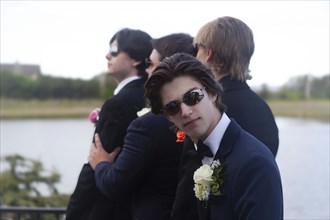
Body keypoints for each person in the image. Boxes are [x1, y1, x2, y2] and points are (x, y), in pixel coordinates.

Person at [145, 53, 283, 220]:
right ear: (168, 117)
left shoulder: (254, 162)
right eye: (172, 107)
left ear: (212, 92)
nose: (186, 112)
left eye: (193, 97)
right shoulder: (194, 152)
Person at [87, 33, 197, 220]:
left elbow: (115, 184)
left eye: (152, 64)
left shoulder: (149, 126)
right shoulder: (204, 117)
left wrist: (101, 164)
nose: (147, 71)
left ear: (169, 68)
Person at [65, 28, 152, 220]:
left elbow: (95, 162)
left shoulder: (119, 104)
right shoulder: (152, 96)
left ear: (136, 59)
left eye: (114, 50)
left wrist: (74, 212)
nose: (107, 55)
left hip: (110, 208)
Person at [193, 16, 279, 157]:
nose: (195, 57)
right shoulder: (262, 107)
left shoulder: (211, 107)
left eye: (198, 49)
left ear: (209, 53)